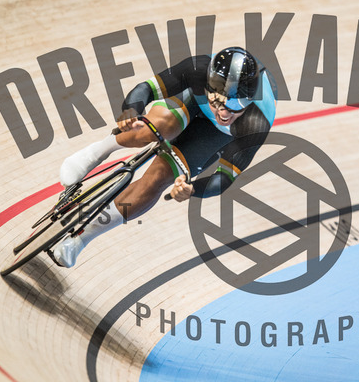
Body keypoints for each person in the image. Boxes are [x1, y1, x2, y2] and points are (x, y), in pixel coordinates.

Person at [49, 47, 277, 268]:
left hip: (215, 134)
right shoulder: (197, 69)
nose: (225, 113)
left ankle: (80, 239)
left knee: (159, 178)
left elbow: (224, 179)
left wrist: (192, 189)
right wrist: (131, 110)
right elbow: (145, 89)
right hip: (193, 101)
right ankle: (97, 151)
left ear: (250, 100)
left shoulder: (255, 124)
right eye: (218, 101)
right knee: (154, 127)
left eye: (236, 105)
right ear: (208, 84)